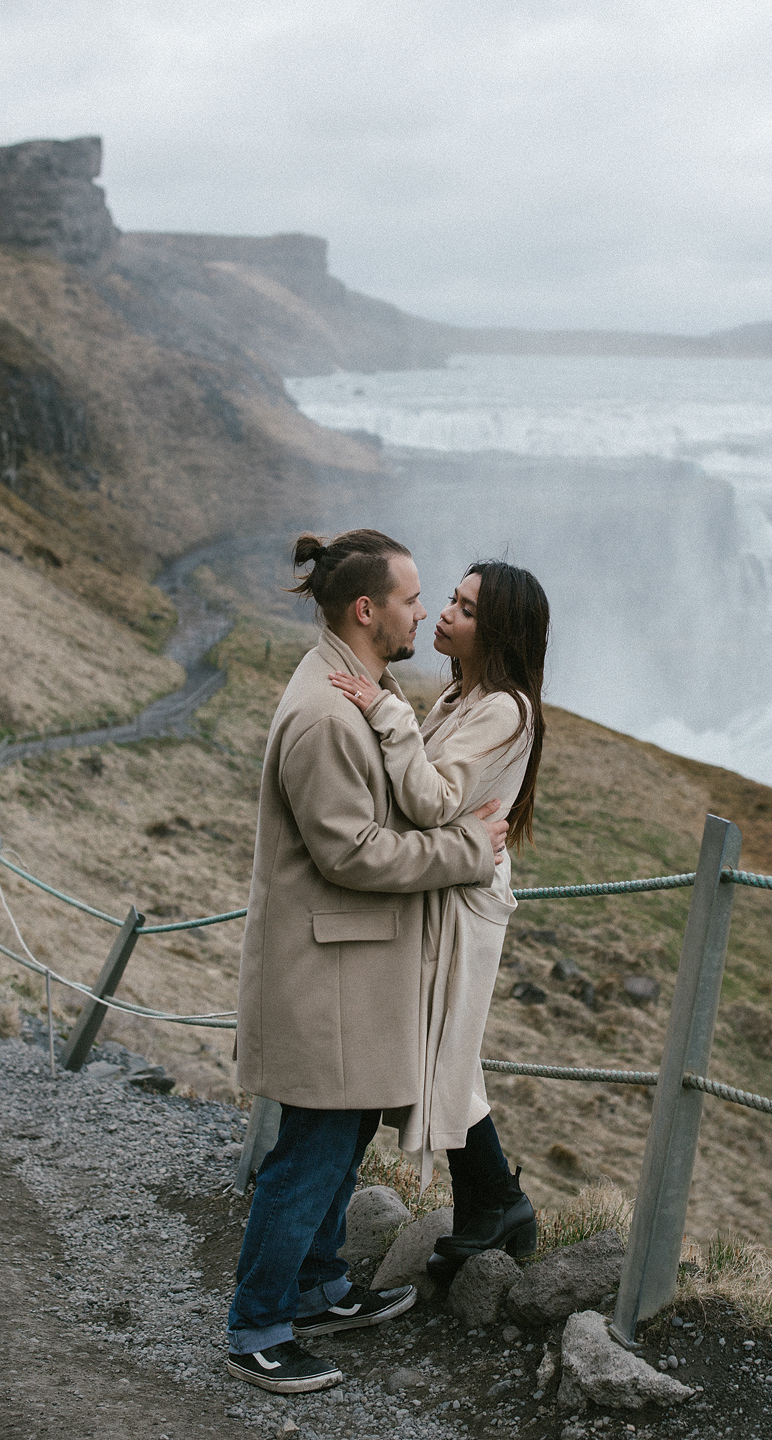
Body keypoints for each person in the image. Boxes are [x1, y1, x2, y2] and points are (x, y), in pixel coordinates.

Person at [225, 529, 511, 1395]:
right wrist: (469, 852)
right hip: (325, 976)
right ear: (367, 609)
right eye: (413, 599)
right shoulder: (323, 714)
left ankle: (314, 1288)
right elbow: (352, 854)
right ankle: (259, 1327)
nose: (423, 612)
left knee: (338, 1141)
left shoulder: (362, 690)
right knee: (307, 1152)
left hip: (349, 969)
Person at [326, 560, 549, 1285]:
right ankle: (493, 1206)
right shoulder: (465, 695)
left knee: (447, 1044)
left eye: (466, 607)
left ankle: (497, 1206)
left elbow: (430, 799)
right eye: (449, 599)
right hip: (449, 881)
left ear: (500, 629)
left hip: (465, 895)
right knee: (446, 1046)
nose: (444, 614)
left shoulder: (505, 709)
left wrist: (382, 710)